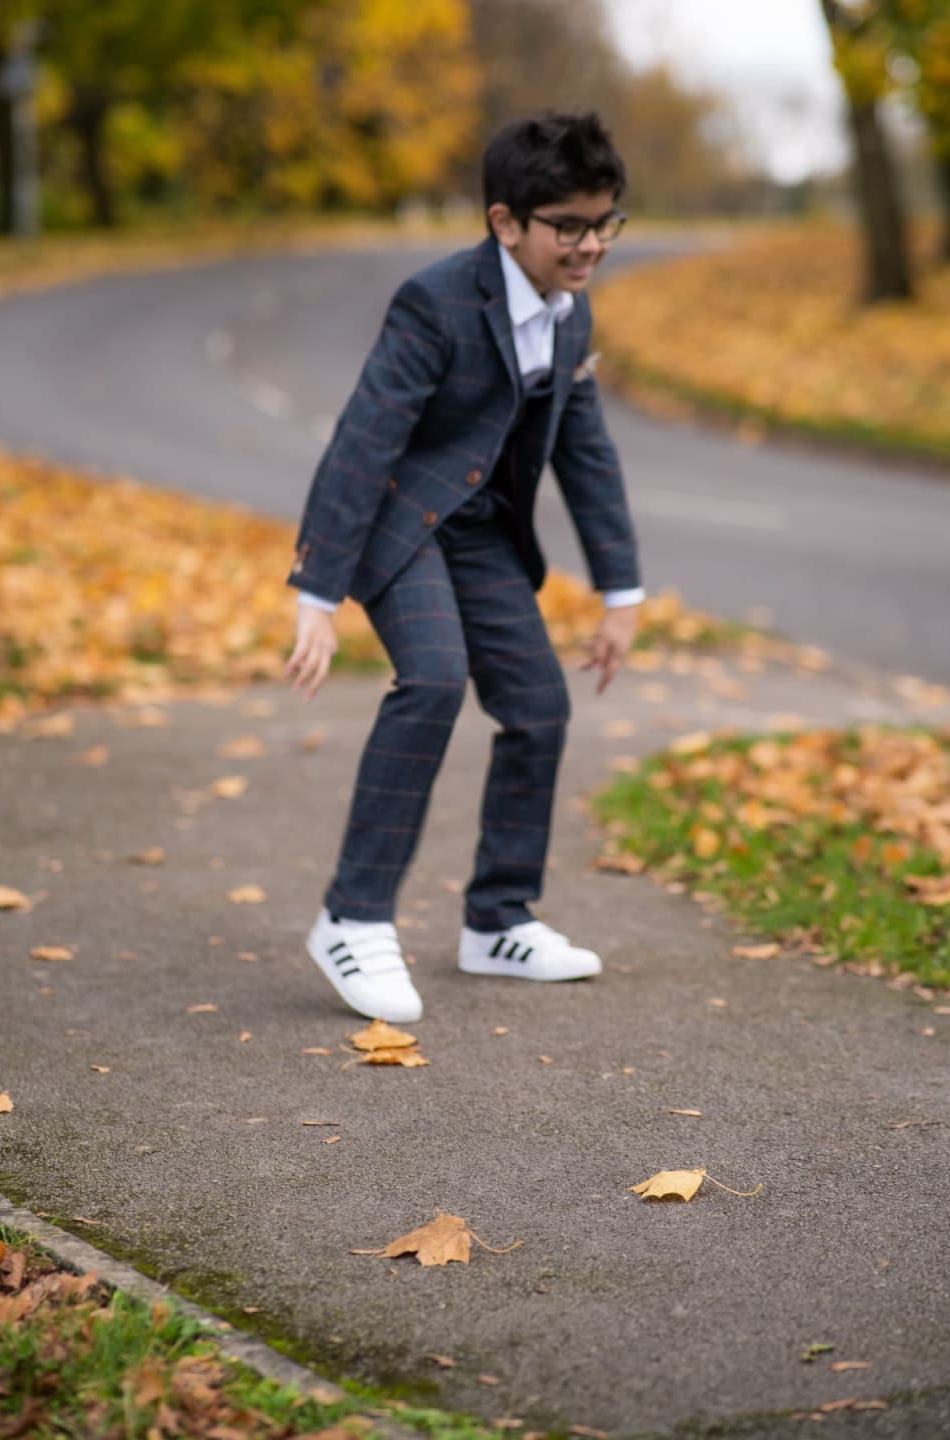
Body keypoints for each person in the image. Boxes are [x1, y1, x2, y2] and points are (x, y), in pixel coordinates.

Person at [285, 110, 643, 1023]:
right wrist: (319, 591)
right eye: (568, 225)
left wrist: (621, 588)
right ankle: (352, 918)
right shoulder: (434, 303)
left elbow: (585, 449)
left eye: (605, 222)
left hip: (480, 533)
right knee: (435, 679)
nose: (590, 244)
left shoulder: (572, 311)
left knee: (538, 706)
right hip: (400, 521)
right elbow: (364, 443)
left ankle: (498, 921)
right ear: (504, 222)